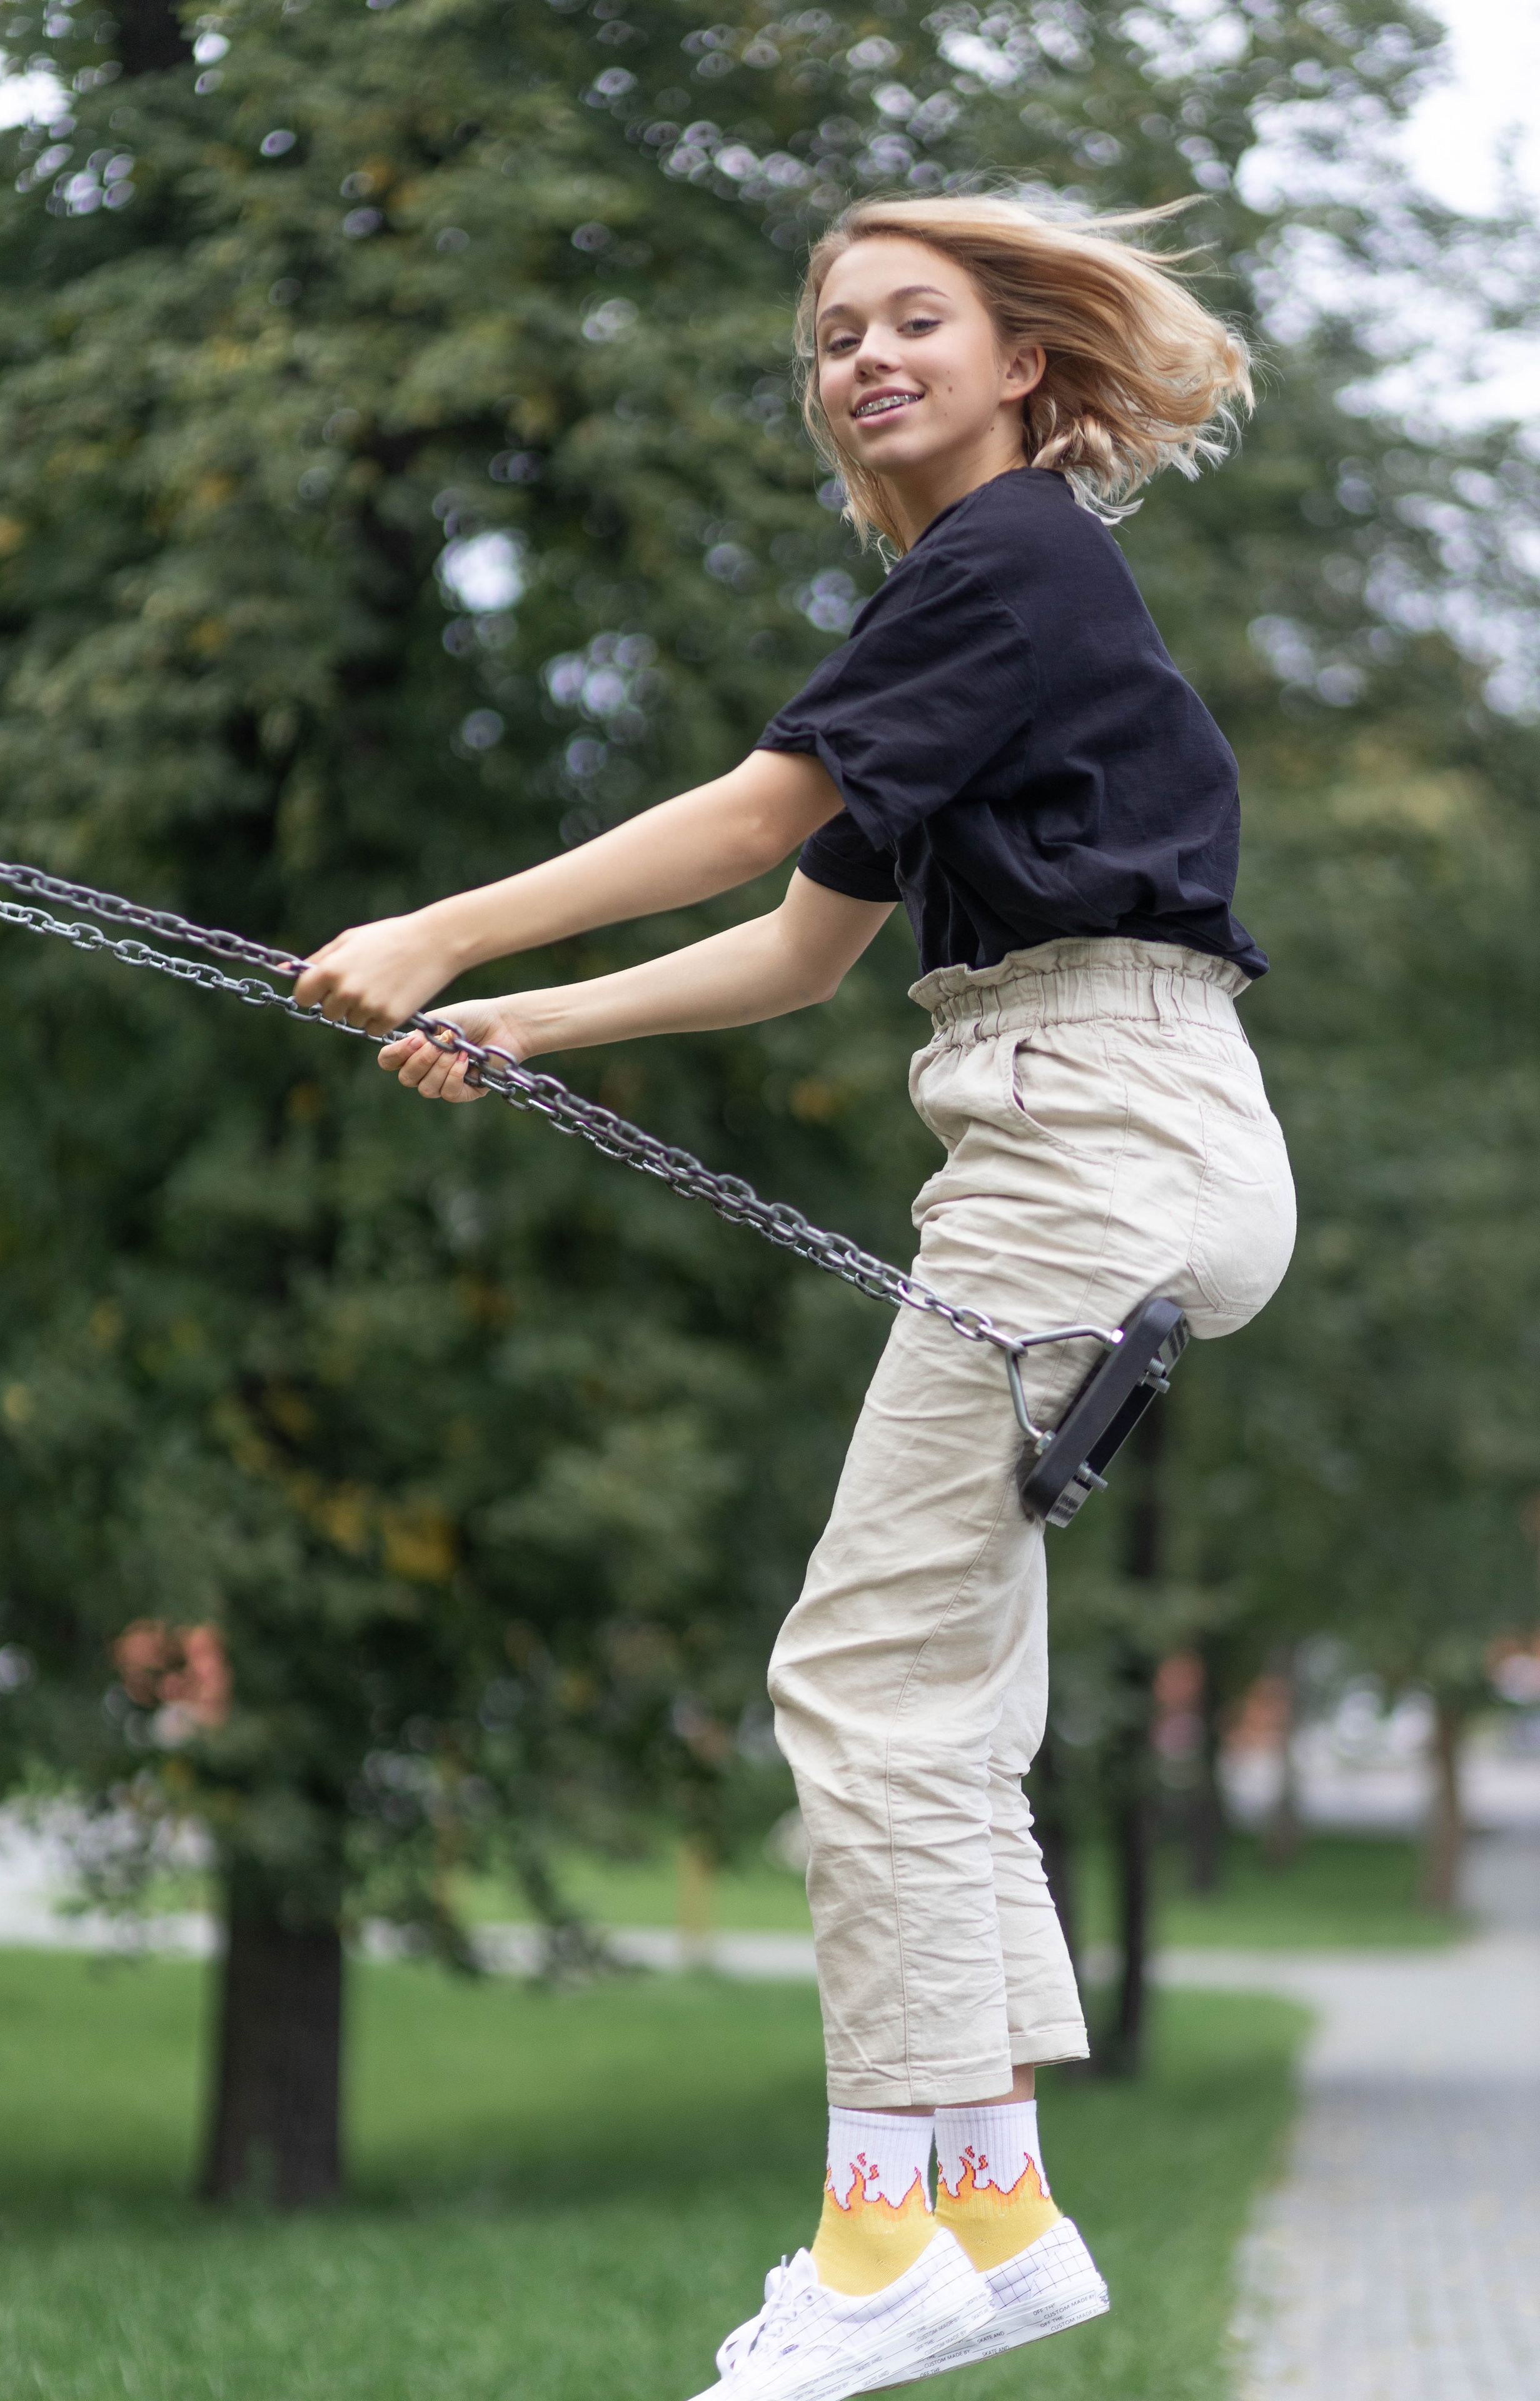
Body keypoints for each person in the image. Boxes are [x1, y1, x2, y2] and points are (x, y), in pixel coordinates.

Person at [294, 193, 1298, 2401]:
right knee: (933, 1698)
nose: (859, 357)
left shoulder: (1009, 559)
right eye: (832, 332)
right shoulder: (974, 602)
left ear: (1025, 358)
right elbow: (796, 948)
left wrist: (451, 931)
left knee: (853, 1682)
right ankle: (1002, 2215)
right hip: (1117, 1129)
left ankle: (879, 2243)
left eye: (911, 319)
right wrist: (533, 1030)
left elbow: (758, 818)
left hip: (1087, 1133)